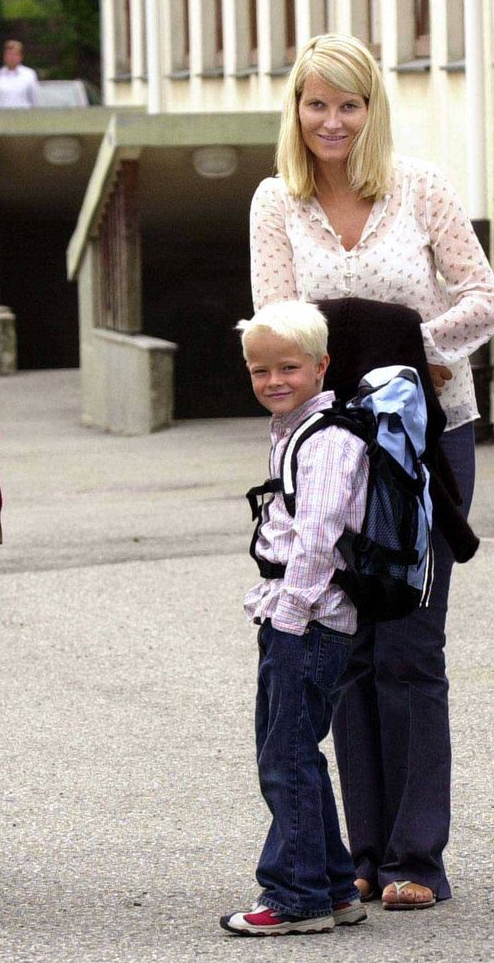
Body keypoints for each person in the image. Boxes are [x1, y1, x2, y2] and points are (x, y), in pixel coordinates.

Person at [249, 33, 494, 911]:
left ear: (372, 109)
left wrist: (407, 347)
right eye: (317, 104)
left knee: (410, 645)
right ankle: (363, 854)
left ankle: (416, 857)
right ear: (297, 109)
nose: (332, 121)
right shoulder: (274, 202)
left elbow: (485, 299)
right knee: (346, 645)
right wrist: (361, 352)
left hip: (426, 443)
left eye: (349, 104)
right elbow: (276, 326)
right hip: (328, 451)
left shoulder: (421, 187)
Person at [221, 300, 366, 936]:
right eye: (260, 370)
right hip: (297, 615)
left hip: (307, 619)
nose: (273, 380)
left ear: (321, 365)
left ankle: (296, 896)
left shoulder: (327, 440)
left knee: (285, 758)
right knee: (294, 750)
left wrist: (291, 615)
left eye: (288, 368)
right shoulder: (295, 429)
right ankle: (333, 886)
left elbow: (318, 535)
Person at [0, 39, 39, 109]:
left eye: (15, 54)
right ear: (4, 56)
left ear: (20, 57)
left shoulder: (29, 74)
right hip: (0, 114)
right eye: (9, 54)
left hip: (23, 114)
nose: (11, 57)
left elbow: (35, 99)